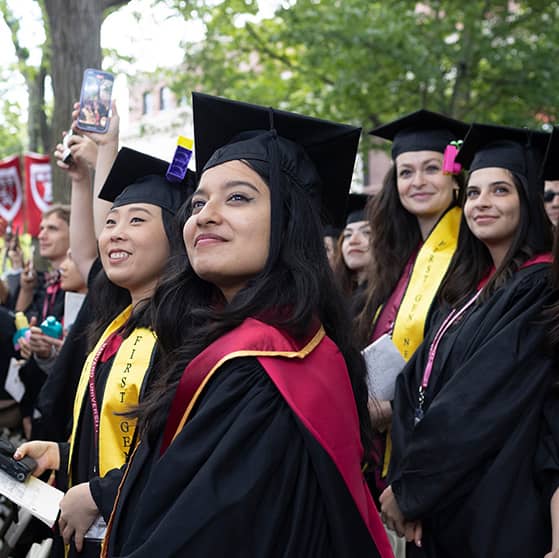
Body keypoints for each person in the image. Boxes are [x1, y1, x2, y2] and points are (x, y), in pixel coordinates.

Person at [64, 93, 394, 557]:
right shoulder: (239, 344)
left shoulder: (263, 368)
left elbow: (200, 535)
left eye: (238, 197)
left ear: (289, 219)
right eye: (197, 203)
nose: (206, 215)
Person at [381, 123, 555, 557]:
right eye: (473, 193)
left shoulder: (539, 286)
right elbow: (410, 387)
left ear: (528, 201)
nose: (481, 204)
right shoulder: (467, 293)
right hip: (443, 500)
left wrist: (409, 487)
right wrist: (408, 481)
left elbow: (478, 400)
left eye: (500, 191)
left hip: (497, 498)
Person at [16, 146, 193, 558]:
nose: (114, 231)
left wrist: (102, 493)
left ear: (176, 234)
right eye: (110, 221)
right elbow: (110, 429)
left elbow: (180, 451)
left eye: (136, 220)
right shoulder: (117, 328)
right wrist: (61, 453)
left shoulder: (185, 332)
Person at [352, 110, 468, 555]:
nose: (417, 181)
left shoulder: (469, 259)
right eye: (405, 172)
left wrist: (392, 407)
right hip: (385, 449)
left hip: (432, 460)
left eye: (431, 168)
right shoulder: (400, 260)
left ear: (455, 175)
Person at [334, 193, 372, 299]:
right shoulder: (335, 298)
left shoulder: (393, 298)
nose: (353, 241)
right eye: (348, 235)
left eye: (367, 232)